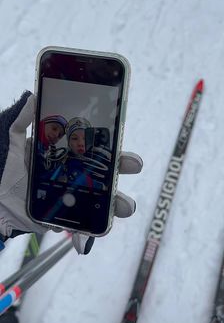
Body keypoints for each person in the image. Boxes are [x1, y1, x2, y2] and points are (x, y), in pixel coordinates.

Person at [0, 91, 143, 255]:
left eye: (60, 134)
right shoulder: (53, 158)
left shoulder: (63, 159)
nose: (56, 135)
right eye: (73, 138)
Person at [50, 117, 108, 190]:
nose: (80, 143)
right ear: (69, 143)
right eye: (74, 138)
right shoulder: (59, 161)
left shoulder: (101, 161)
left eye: (85, 138)